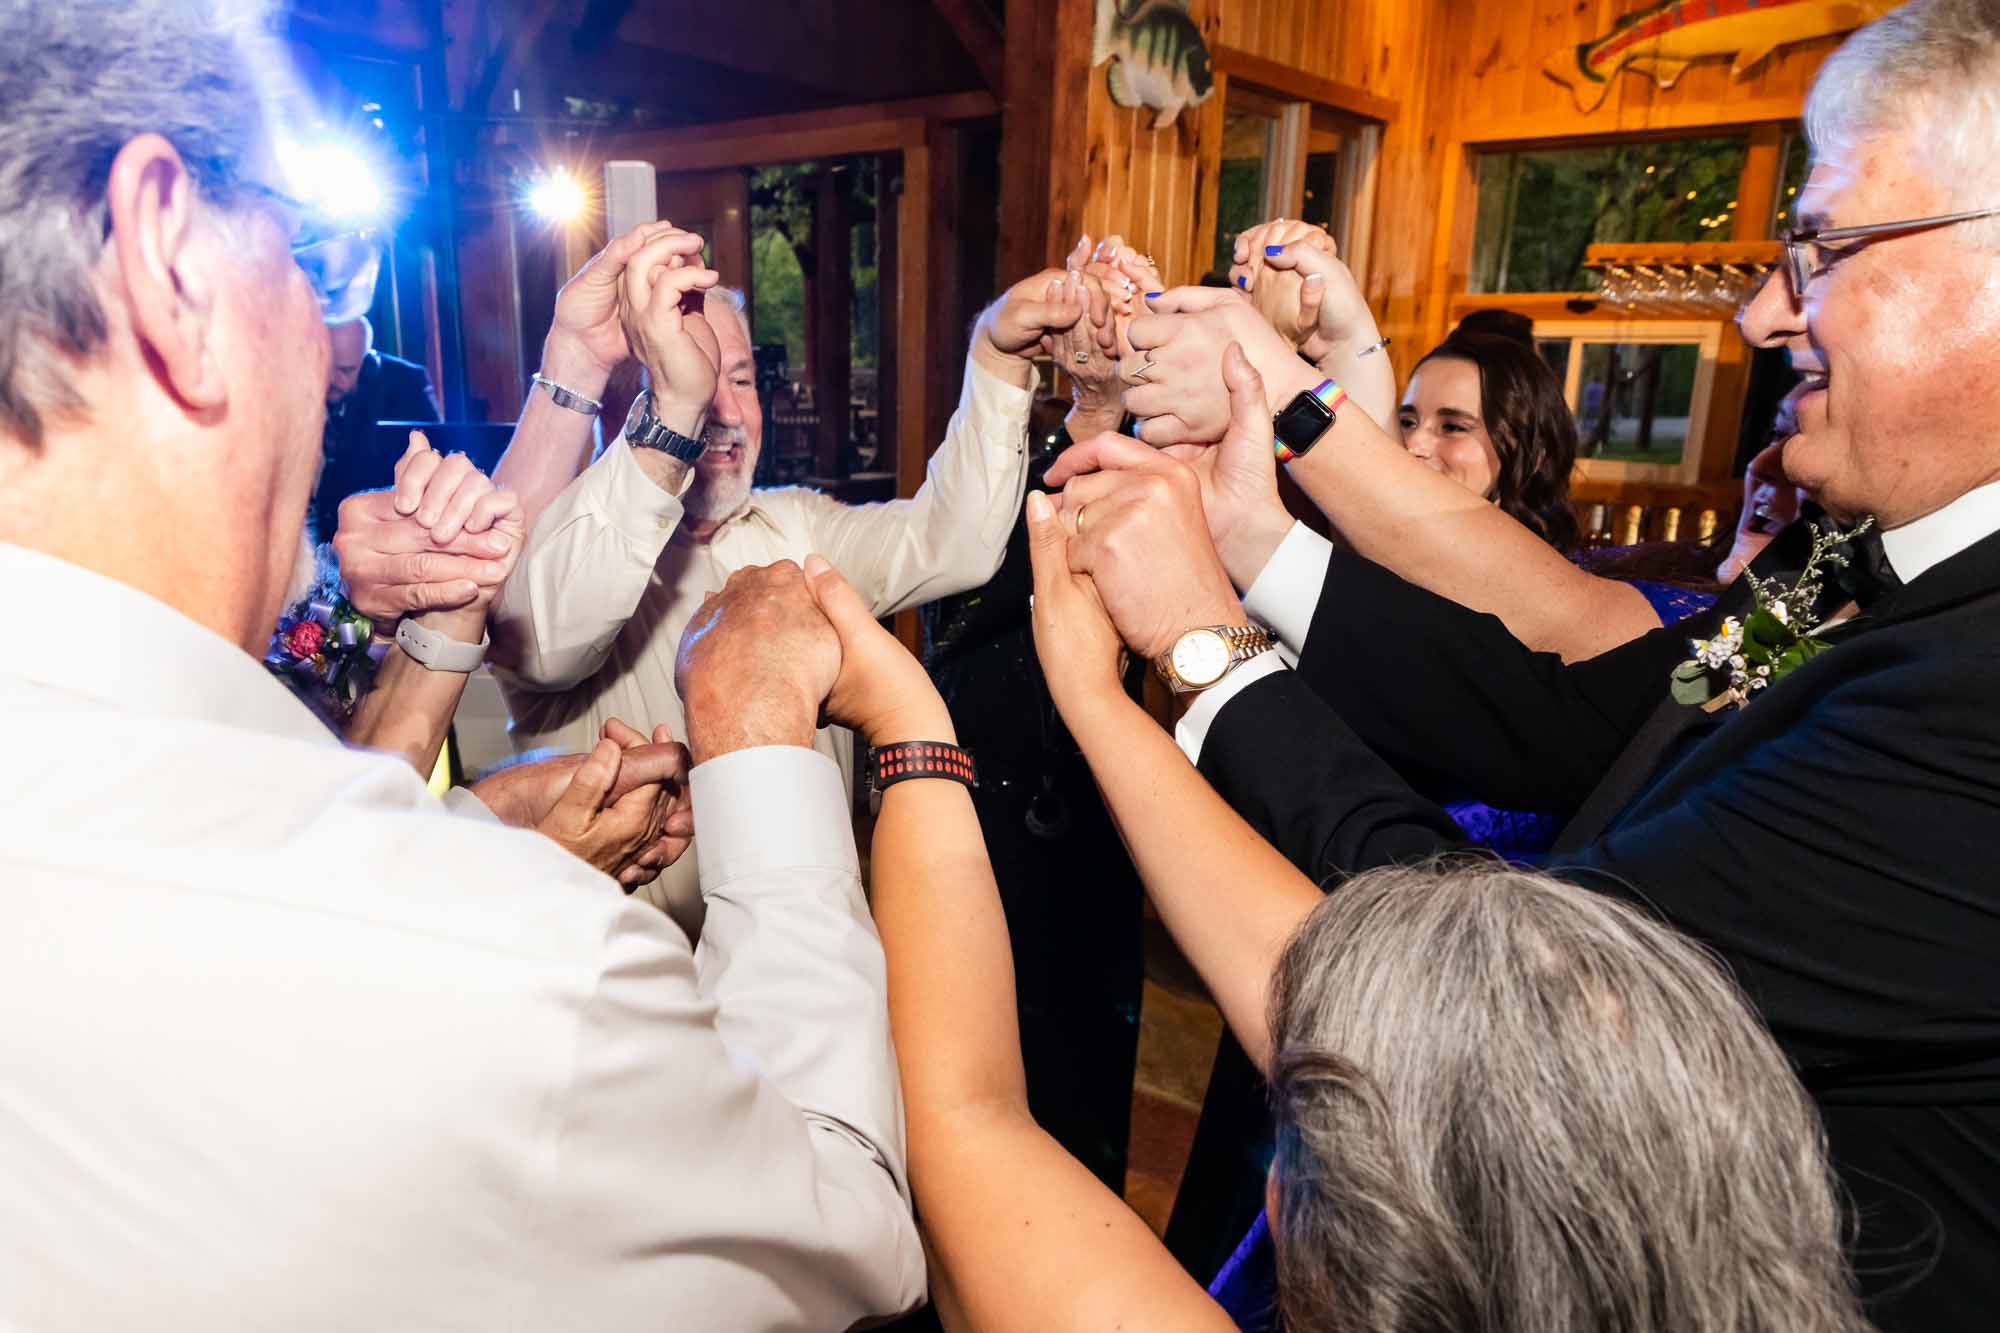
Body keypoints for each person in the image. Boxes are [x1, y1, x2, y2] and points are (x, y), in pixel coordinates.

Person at [1050, 0, 2000, 1305]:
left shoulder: (1974, 701)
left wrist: (1204, 645)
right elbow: (1615, 716)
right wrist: (1254, 529)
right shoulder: (1843, 562)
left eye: (1823, 245)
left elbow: (1515, 1022)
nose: (1763, 317)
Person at [0, 4, 927, 1325]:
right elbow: (847, 1229)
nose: (332, 353)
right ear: (168, 258)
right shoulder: (526, 982)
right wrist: (766, 753)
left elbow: (263, 850)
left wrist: (460, 824)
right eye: (310, 255)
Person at [786, 527, 1869, 1333]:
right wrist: (1101, 698)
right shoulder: (1817, 599)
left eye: (1310, 1135)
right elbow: (1604, 679)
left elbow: (963, 1115)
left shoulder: (1924, 690)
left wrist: (908, 729)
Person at [488, 235, 1087, 930]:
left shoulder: (796, 525)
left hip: (811, 953)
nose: (725, 412)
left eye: (740, 380)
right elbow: (544, 643)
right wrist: (670, 422)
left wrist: (995, 352)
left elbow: (954, 544)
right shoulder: (558, 552)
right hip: (632, 982)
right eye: (688, 380)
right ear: (634, 411)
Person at [309, 314, 441, 543]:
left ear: (367, 363)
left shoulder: (406, 384)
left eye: (345, 370)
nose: (332, 380)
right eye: (325, 366)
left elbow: (433, 461)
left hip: (379, 532)